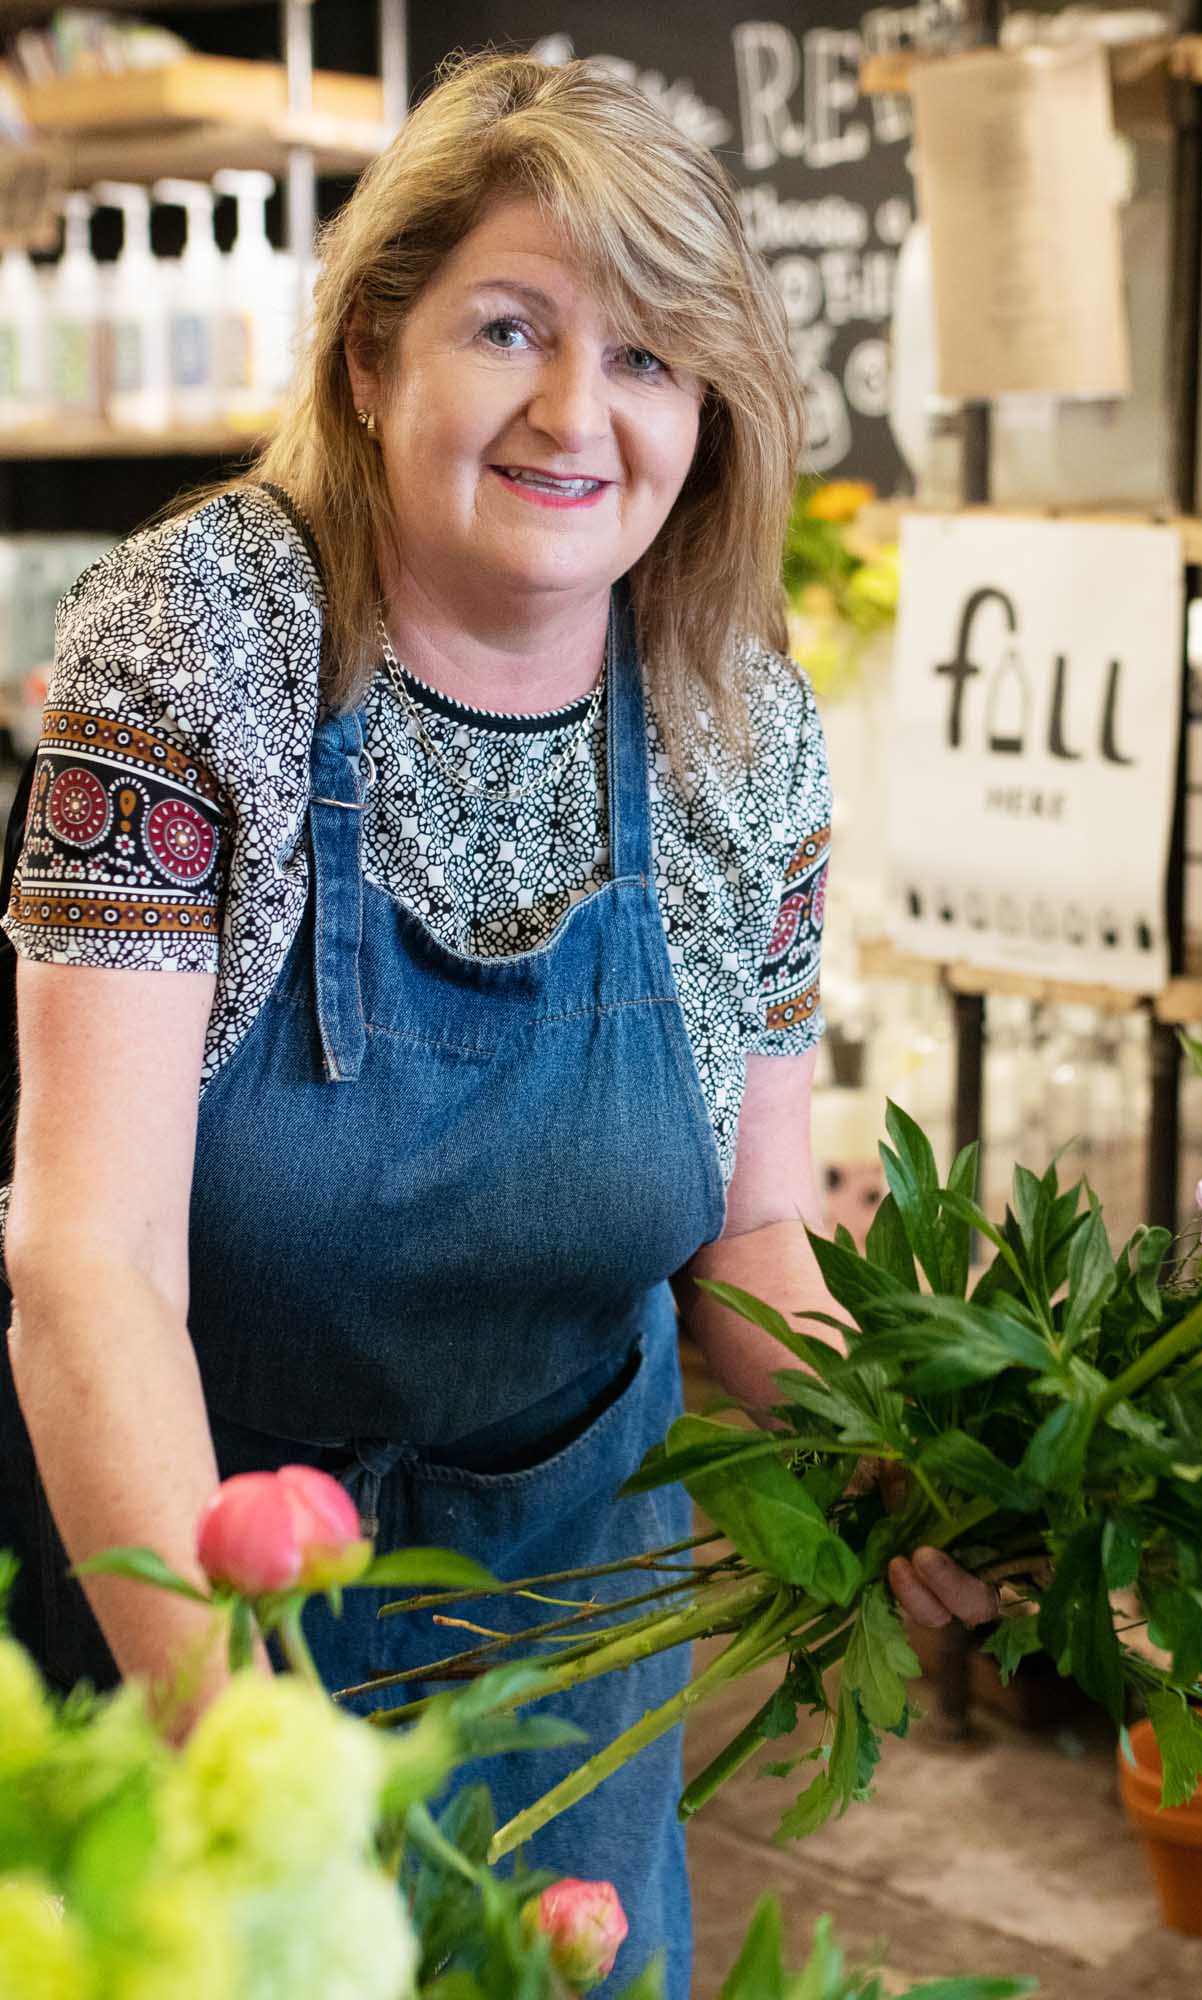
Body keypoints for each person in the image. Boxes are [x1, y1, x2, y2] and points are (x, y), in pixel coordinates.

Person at [0, 53, 997, 1998]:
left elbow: (752, 1233)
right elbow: (85, 1258)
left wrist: (926, 1454)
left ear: (707, 413)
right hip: (187, 1586)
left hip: (568, 1646)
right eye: (510, 329)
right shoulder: (198, 642)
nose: (574, 414)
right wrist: (248, 1762)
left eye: (645, 359)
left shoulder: (742, 729)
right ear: (373, 358)